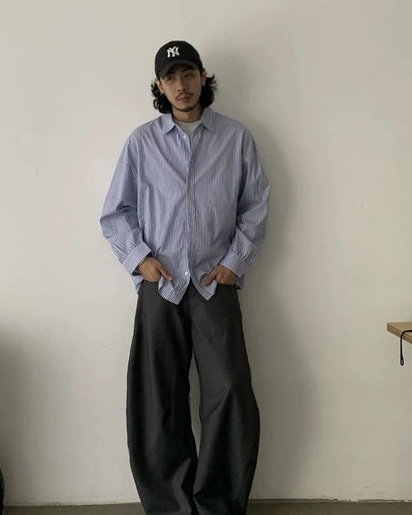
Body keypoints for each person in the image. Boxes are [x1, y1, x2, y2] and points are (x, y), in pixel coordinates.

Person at [100, 40, 270, 515]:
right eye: (171, 77)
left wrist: (235, 263)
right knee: (157, 397)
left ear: (203, 77)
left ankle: (218, 503)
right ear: (159, 85)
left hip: (216, 283)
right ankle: (171, 506)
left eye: (188, 73)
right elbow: (116, 213)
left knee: (229, 390)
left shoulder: (236, 139)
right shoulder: (142, 143)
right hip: (162, 284)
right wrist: (141, 260)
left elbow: (255, 206)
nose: (181, 84)